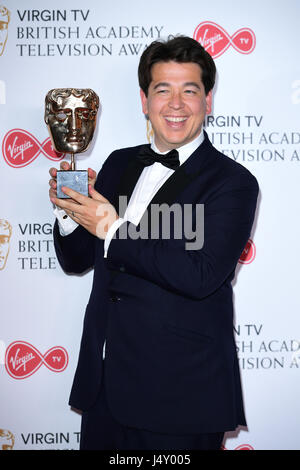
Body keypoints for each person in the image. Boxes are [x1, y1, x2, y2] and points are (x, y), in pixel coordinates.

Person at [49, 36, 259, 450]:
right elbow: (76, 261)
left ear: (208, 101)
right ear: (145, 100)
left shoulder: (233, 183)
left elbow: (200, 275)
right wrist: (68, 210)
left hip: (181, 395)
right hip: (104, 390)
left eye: (190, 91)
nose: (176, 104)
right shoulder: (119, 163)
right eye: (163, 90)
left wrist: (111, 227)